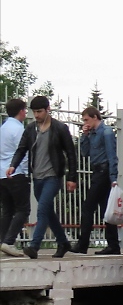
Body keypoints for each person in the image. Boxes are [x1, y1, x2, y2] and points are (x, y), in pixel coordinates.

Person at [6, 95, 77, 259]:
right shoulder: (31, 129)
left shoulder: (59, 128)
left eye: (39, 111)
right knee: (48, 212)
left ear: (47, 109)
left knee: (42, 209)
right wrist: (13, 165)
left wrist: (72, 177)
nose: (36, 115)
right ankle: (63, 242)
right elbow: (22, 149)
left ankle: (34, 246)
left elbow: (71, 154)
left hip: (53, 176)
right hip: (37, 177)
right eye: (34, 112)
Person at [73, 106, 120, 255]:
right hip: (97, 170)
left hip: (103, 171)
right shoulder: (92, 133)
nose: (85, 122)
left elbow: (112, 155)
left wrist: (113, 177)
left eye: (87, 119)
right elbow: (85, 153)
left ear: (95, 117)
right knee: (106, 209)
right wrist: (84, 136)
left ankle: (82, 244)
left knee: (88, 207)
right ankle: (113, 245)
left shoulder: (106, 132)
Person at [0, 98, 32, 257]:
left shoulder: (3, 128)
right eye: (25, 110)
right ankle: (9, 241)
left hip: (1, 173)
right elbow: (23, 151)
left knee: (7, 209)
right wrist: (26, 172)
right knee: (23, 208)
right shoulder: (19, 129)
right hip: (16, 172)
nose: (26, 112)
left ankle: (3, 241)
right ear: (21, 111)